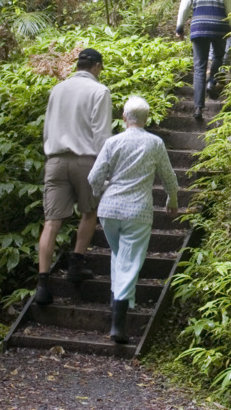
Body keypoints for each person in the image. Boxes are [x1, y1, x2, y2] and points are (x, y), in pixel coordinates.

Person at [88, 96, 178, 344]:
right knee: (129, 262)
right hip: (137, 211)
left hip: (109, 210)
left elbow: (94, 177)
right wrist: (172, 199)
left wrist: (102, 191)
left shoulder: (112, 142)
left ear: (124, 117)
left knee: (120, 256)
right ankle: (118, 324)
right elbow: (168, 176)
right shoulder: (155, 143)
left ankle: (116, 297)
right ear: (146, 119)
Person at [35, 48, 112, 306]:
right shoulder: (99, 91)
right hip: (85, 160)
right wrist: (106, 168)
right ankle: (76, 264)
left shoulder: (58, 89)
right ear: (97, 66)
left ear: (78, 65)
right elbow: (101, 135)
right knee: (89, 212)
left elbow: (47, 127)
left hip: (55, 160)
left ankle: (43, 284)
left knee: (51, 222)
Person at [176, 0, 231, 121]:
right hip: (219, 26)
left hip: (199, 26)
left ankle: (198, 108)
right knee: (218, 56)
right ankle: (212, 81)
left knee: (199, 67)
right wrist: (229, 27)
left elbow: (185, 6)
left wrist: (179, 27)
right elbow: (230, 9)